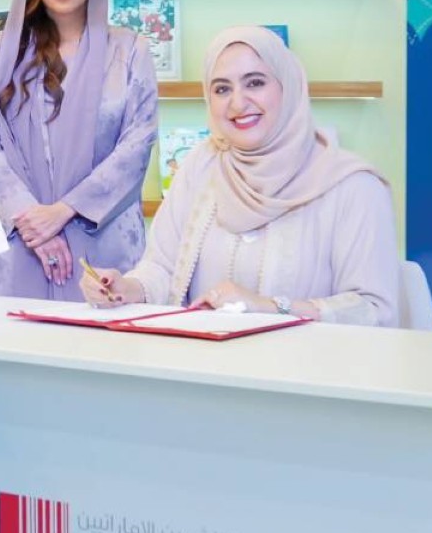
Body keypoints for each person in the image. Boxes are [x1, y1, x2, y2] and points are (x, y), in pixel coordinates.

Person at [81, 25, 399, 326]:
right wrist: (127, 288)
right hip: (204, 361)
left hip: (305, 364)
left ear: (288, 85)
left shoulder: (354, 185)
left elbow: (374, 310)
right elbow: (163, 267)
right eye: (222, 89)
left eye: (255, 83)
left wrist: (271, 307)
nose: (237, 103)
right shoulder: (201, 166)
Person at [0, 0, 158, 299]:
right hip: (19, 242)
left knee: (99, 332)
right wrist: (32, 221)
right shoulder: (1, 52)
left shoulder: (130, 50)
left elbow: (137, 144)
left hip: (101, 243)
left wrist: (64, 211)